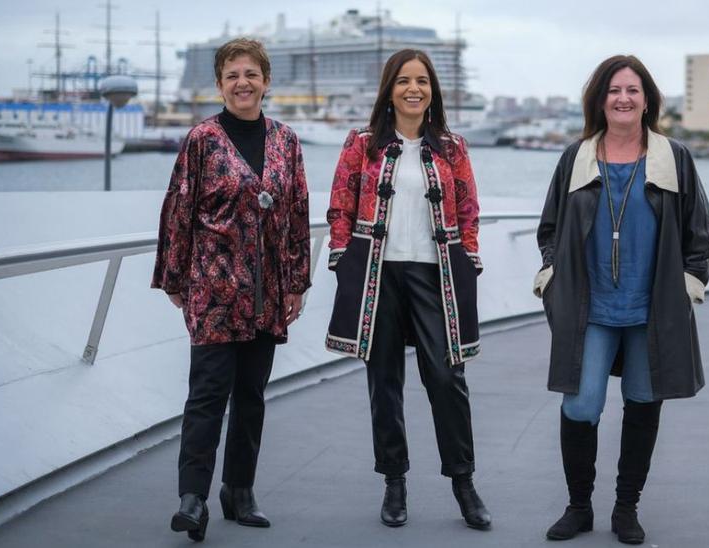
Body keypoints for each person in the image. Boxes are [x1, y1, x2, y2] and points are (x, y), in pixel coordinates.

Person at [535, 55, 709, 545]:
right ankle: (578, 507)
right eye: (614, 90)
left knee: (642, 402)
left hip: (652, 308)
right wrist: (552, 276)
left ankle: (626, 508)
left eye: (633, 90)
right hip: (590, 308)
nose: (623, 98)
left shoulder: (672, 157)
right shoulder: (576, 157)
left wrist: (689, 285)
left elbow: (699, 232)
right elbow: (549, 227)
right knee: (581, 403)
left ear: (647, 100)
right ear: (600, 99)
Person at [324, 48, 490, 531]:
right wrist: (343, 262)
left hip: (435, 275)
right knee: (385, 384)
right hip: (379, 274)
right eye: (403, 81)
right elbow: (340, 204)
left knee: (446, 379)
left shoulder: (453, 147)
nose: (413, 88)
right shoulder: (361, 143)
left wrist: (469, 261)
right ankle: (394, 482)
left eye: (421, 80)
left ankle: (464, 482)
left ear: (432, 89)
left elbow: (468, 209)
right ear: (389, 90)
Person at [152, 37, 310, 542]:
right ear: (220, 84)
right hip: (213, 290)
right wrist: (175, 278)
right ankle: (192, 497)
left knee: (251, 396)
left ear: (266, 81)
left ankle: (239, 491)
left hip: (267, 291)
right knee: (207, 395)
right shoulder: (202, 139)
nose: (243, 83)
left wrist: (297, 281)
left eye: (251, 74)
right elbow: (178, 210)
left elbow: (298, 214)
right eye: (232, 75)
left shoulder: (286, 141)